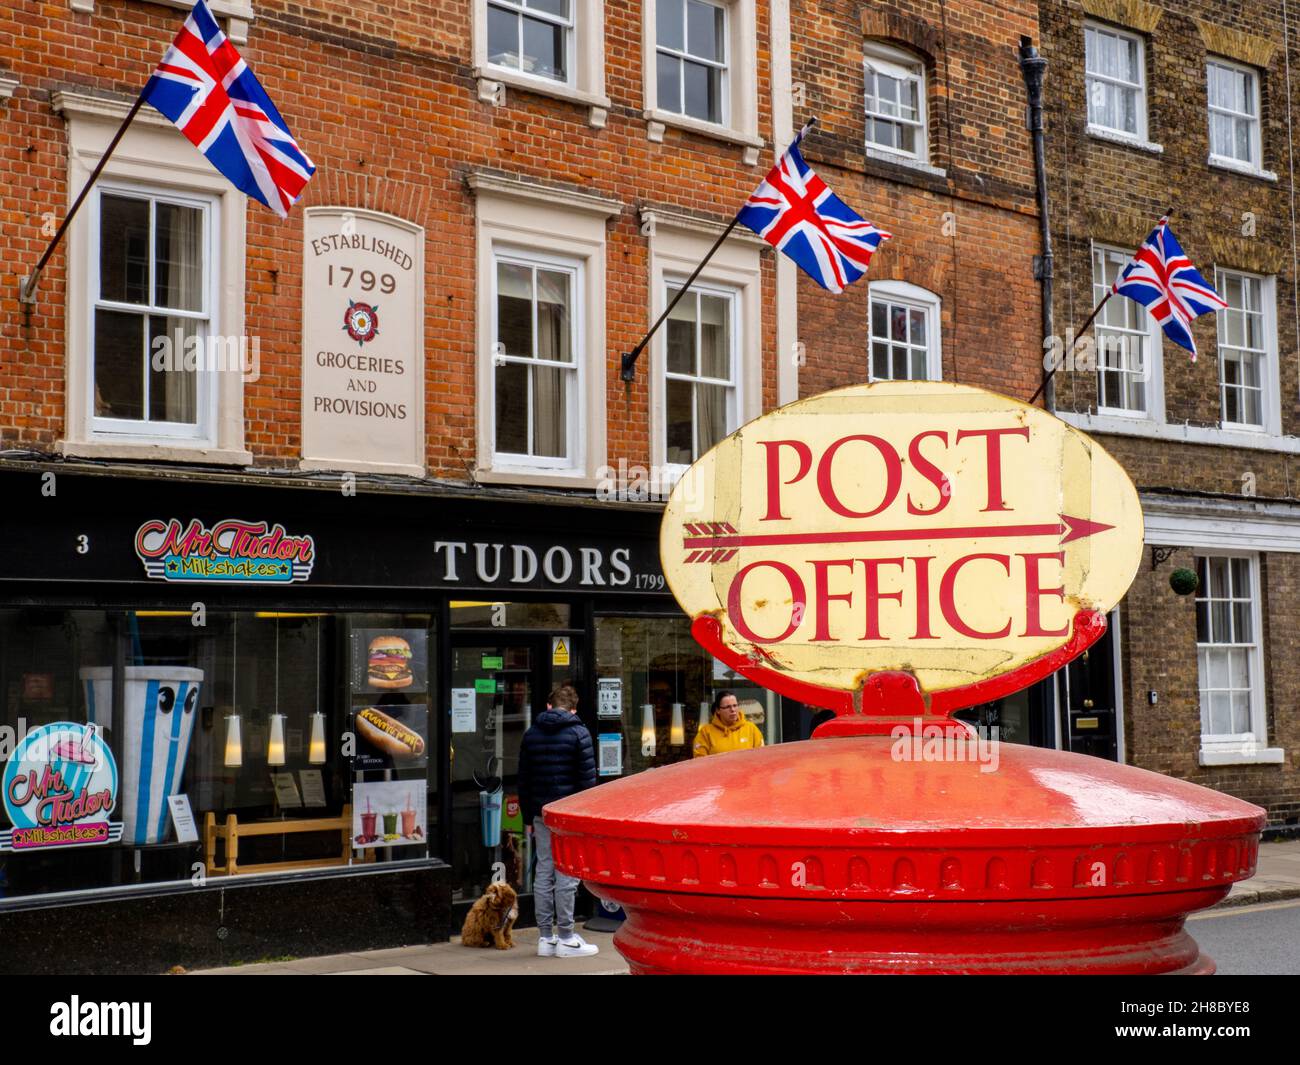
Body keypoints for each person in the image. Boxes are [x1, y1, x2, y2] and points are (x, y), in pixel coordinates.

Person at [517, 683, 599, 958]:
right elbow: (587, 781)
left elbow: (524, 780)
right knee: (567, 872)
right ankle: (566, 936)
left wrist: (529, 815)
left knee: (544, 870)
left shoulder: (531, 735)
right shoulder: (579, 733)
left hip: (541, 813)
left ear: (549, 706)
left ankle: (545, 937)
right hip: (568, 815)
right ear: (574, 709)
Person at [693, 690, 765, 758]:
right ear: (718, 710)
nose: (733, 710)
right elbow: (700, 761)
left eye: (735, 705)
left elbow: (761, 757)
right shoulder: (705, 732)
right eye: (728, 707)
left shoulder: (751, 728)